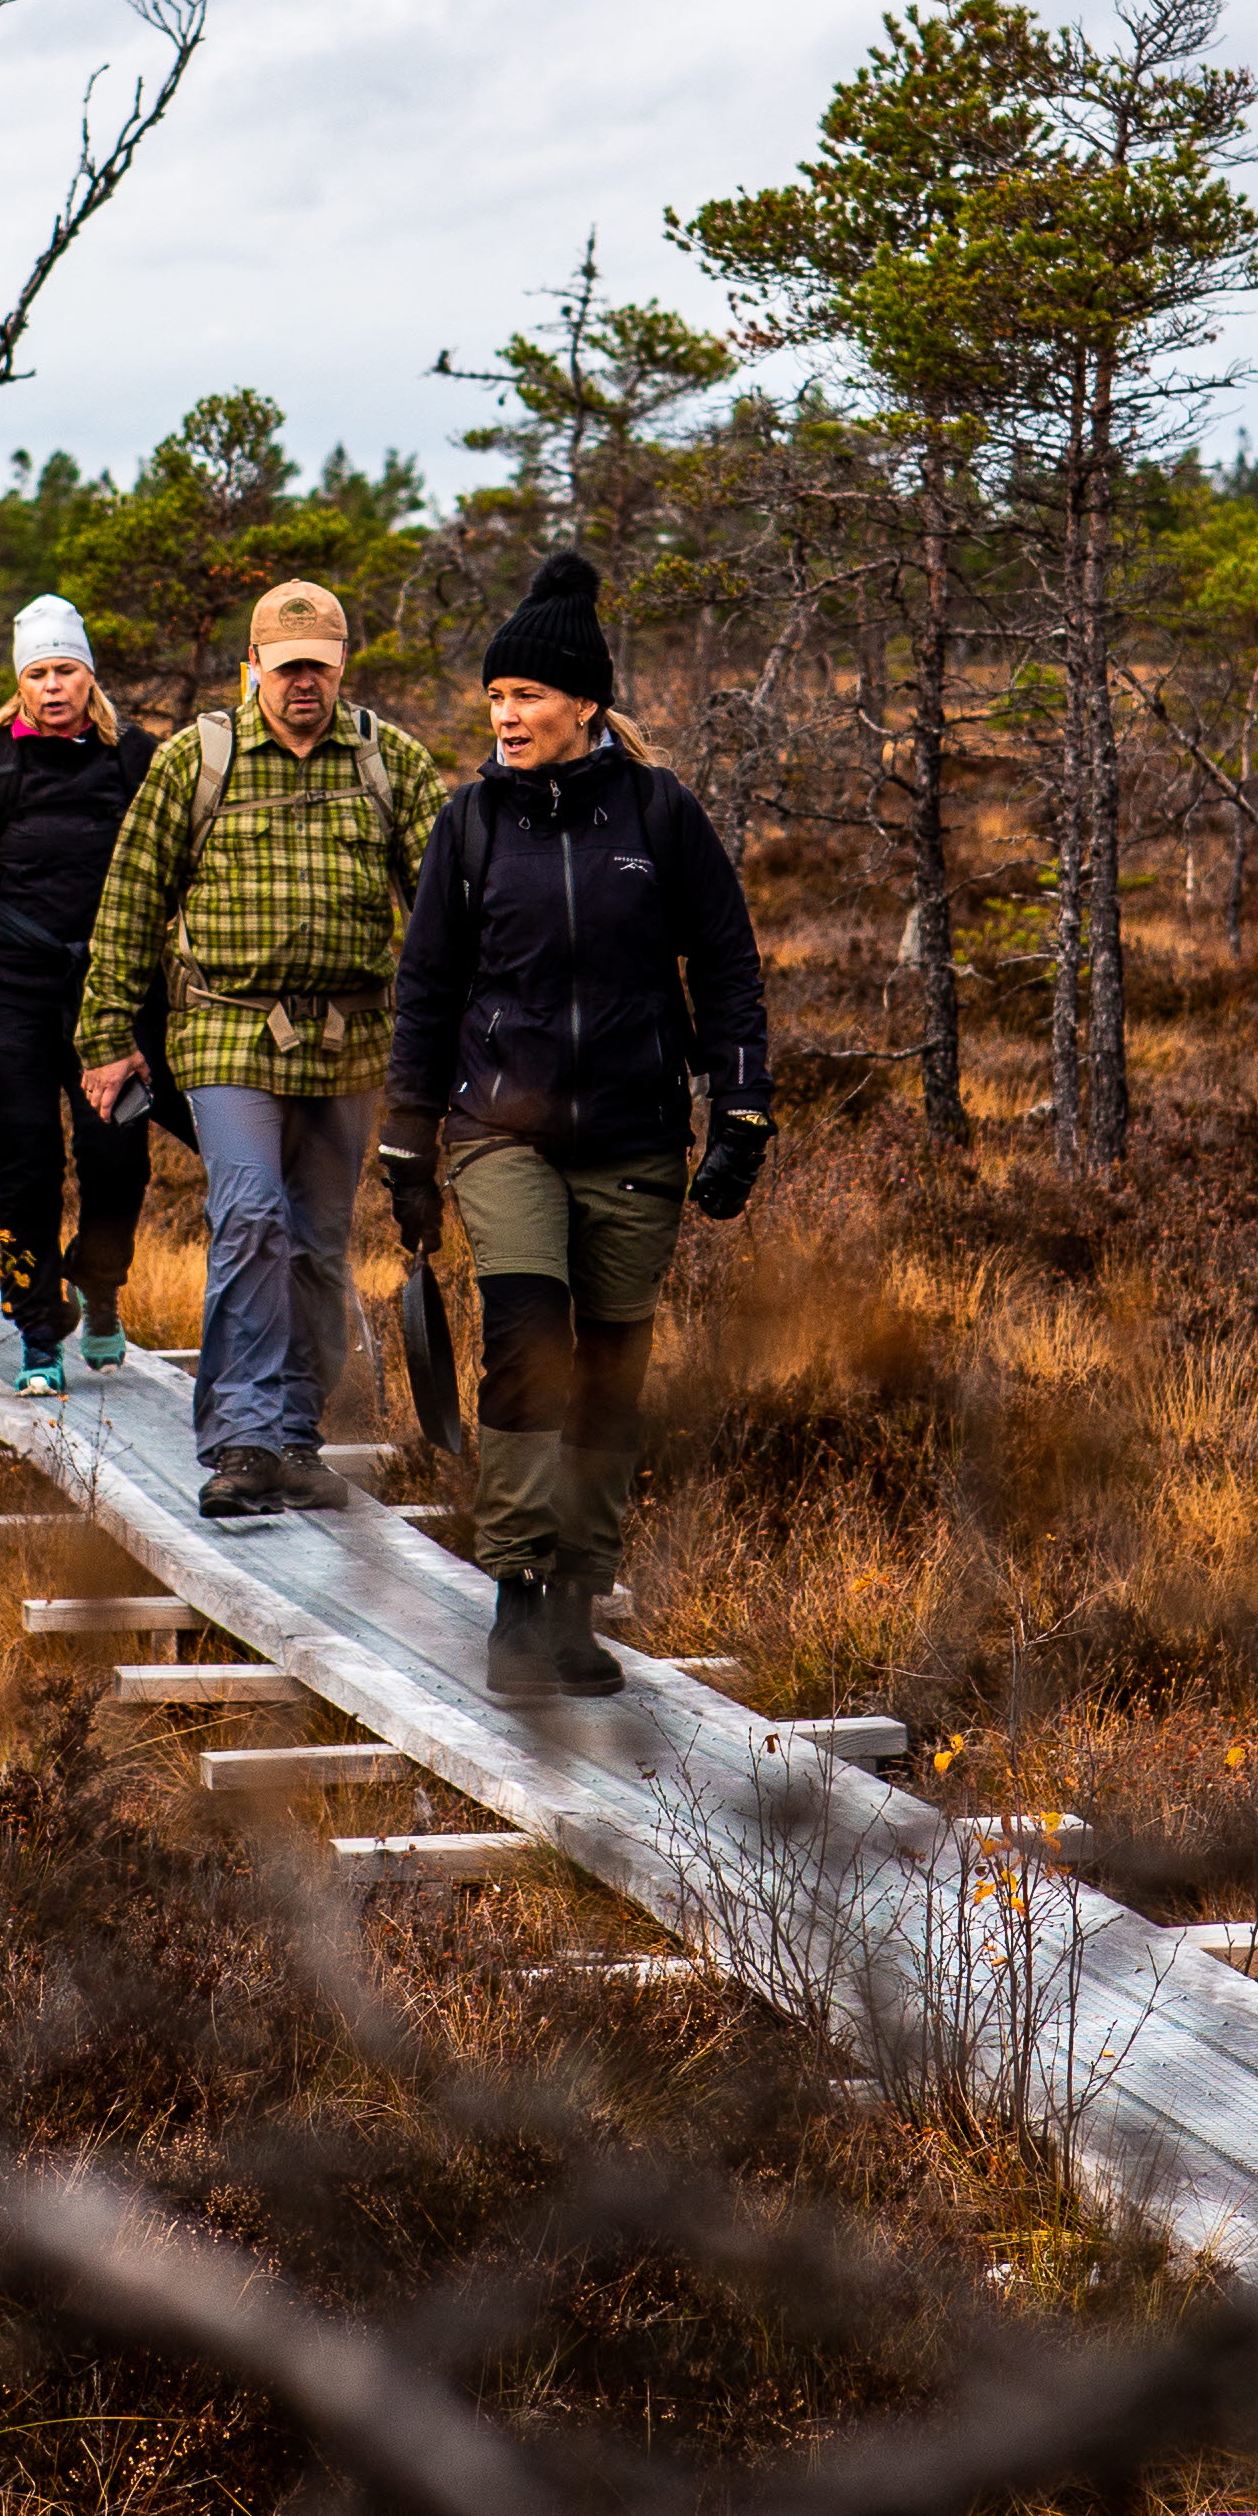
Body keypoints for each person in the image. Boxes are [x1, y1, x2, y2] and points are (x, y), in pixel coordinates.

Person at [379, 551, 773, 1695]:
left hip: (638, 1137)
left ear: (585, 704)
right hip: (501, 1128)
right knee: (527, 1341)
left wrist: (741, 1107)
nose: (506, 716)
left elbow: (731, 965)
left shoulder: (661, 814)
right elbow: (427, 989)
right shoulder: (468, 826)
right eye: (496, 698)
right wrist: (409, 1142)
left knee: (611, 1371)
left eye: (528, 697)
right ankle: (510, 1589)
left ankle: (572, 1600)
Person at [77, 580, 439, 1519]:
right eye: (284, 669)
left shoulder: (389, 761)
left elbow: (446, 916)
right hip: (228, 1029)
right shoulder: (199, 758)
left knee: (320, 1244)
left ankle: (293, 1437)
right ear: (255, 667)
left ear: (342, 662)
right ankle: (239, 1439)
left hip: (351, 1038)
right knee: (250, 1217)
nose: (301, 684)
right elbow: (127, 901)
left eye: (317, 664)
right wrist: (108, 1037)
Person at [0, 594, 184, 1396]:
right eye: (37, 673)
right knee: (25, 1161)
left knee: (118, 1158)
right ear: (20, 683)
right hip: (8, 990)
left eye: (65, 670)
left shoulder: (134, 758)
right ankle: (35, 1330)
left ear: (88, 675)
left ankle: (98, 1284)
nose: (52, 686)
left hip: (110, 990)